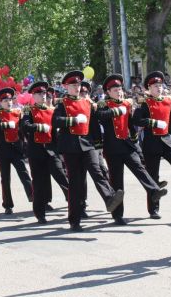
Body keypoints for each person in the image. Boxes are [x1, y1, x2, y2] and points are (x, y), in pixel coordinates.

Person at [53, 70, 124, 231]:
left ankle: (110, 198)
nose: (77, 87)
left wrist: (98, 143)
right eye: (73, 85)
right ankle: (74, 220)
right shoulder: (62, 103)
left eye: (78, 84)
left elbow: (94, 123)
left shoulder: (87, 103)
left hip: (87, 143)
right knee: (76, 184)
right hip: (71, 146)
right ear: (66, 86)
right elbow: (55, 121)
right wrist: (73, 120)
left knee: (97, 170)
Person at [96, 74, 167, 225]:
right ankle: (118, 215)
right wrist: (116, 111)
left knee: (140, 168)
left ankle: (154, 191)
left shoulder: (126, 104)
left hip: (127, 144)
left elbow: (130, 125)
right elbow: (100, 116)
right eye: (115, 90)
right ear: (108, 92)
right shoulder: (104, 104)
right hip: (112, 148)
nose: (119, 92)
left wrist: (136, 142)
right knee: (117, 183)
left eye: (120, 89)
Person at [133, 71, 171, 219]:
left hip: (166, 141)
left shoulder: (168, 101)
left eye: (160, 85)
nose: (159, 88)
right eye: (155, 86)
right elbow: (136, 120)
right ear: (149, 88)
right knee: (153, 175)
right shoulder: (144, 103)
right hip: (151, 143)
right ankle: (153, 209)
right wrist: (152, 122)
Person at [21, 81, 69, 224]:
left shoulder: (51, 110)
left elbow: (55, 133)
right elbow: (25, 126)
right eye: (39, 94)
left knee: (62, 177)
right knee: (39, 183)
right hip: (36, 151)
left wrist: (59, 150)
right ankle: (40, 213)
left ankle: (76, 203)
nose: (43, 96)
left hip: (51, 150)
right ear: (33, 96)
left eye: (44, 93)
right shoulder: (28, 110)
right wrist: (38, 127)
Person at [0, 88, 33, 214]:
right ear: (0, 102)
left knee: (24, 174)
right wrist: (5, 125)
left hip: (16, 149)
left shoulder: (17, 112)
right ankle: (8, 205)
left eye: (10, 99)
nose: (8, 102)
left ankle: (34, 198)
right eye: (5, 100)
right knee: (5, 179)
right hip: (3, 151)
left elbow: (23, 128)